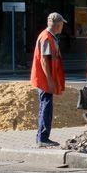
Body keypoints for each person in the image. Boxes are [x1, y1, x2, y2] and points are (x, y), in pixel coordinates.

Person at [31, 13, 66, 146]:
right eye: (62, 24)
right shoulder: (46, 38)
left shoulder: (49, 37)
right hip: (44, 80)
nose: (63, 26)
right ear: (57, 25)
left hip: (44, 78)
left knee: (44, 106)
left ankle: (41, 137)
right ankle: (43, 138)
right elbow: (44, 61)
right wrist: (50, 81)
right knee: (46, 107)